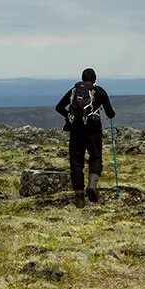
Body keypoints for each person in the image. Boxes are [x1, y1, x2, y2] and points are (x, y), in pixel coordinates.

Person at [55, 68, 116, 205]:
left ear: (82, 79)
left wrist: (70, 116)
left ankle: (79, 197)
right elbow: (110, 113)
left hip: (76, 128)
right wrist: (112, 113)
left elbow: (59, 107)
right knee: (95, 156)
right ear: (95, 79)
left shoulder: (74, 91)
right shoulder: (99, 91)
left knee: (76, 161)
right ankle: (92, 185)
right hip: (94, 129)